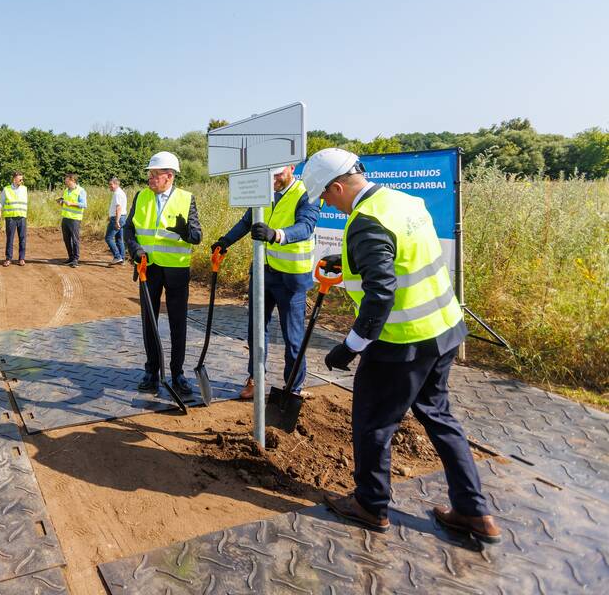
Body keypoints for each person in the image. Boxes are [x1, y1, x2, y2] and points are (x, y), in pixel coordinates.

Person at [301, 148, 500, 542]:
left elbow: (380, 295)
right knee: (439, 417)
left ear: (338, 186)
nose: (327, 204)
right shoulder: (404, 202)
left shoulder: (365, 221)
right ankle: (474, 512)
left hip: (400, 343)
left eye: (325, 197)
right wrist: (350, 260)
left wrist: (350, 346)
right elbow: (404, 258)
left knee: (374, 423)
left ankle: (371, 506)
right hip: (443, 331)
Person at [213, 164, 320, 400]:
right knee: (256, 329)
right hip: (263, 273)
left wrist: (276, 235)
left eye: (278, 173)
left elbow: (306, 226)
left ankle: (293, 387)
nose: (273, 179)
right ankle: (255, 378)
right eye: (269, 174)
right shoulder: (263, 192)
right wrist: (225, 241)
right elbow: (246, 222)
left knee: (293, 337)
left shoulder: (305, 193)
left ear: (291, 168)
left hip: (291, 278)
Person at [123, 151, 202, 395]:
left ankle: (177, 373)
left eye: (155, 174)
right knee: (150, 322)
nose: (150, 178)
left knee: (178, 323)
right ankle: (151, 371)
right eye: (150, 174)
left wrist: (185, 231)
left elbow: (197, 237)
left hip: (177, 271)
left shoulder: (186, 199)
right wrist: (134, 249)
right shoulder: (141, 197)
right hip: (149, 269)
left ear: (169, 176)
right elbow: (129, 230)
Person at [56, 173, 87, 267]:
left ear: (72, 180)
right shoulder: (66, 190)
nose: (65, 181)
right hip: (65, 218)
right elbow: (65, 202)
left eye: (66, 180)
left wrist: (71, 203)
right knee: (66, 239)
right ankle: (70, 257)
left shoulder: (81, 191)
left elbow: (84, 205)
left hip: (75, 219)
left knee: (75, 240)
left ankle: (75, 260)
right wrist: (61, 202)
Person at [0, 171, 28, 266]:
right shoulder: (6, 189)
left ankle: (21, 258)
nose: (22, 181)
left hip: (22, 217)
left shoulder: (24, 189)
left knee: (22, 238)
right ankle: (8, 258)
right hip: (10, 217)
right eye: (20, 179)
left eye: (22, 179)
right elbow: (1, 203)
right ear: (14, 179)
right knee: (10, 238)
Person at [105, 177, 128, 265]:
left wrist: (116, 221)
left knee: (108, 238)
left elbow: (118, 208)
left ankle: (117, 256)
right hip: (121, 217)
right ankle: (122, 259)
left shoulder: (117, 194)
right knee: (119, 239)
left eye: (111, 184)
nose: (109, 186)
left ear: (116, 184)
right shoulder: (120, 192)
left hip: (117, 218)